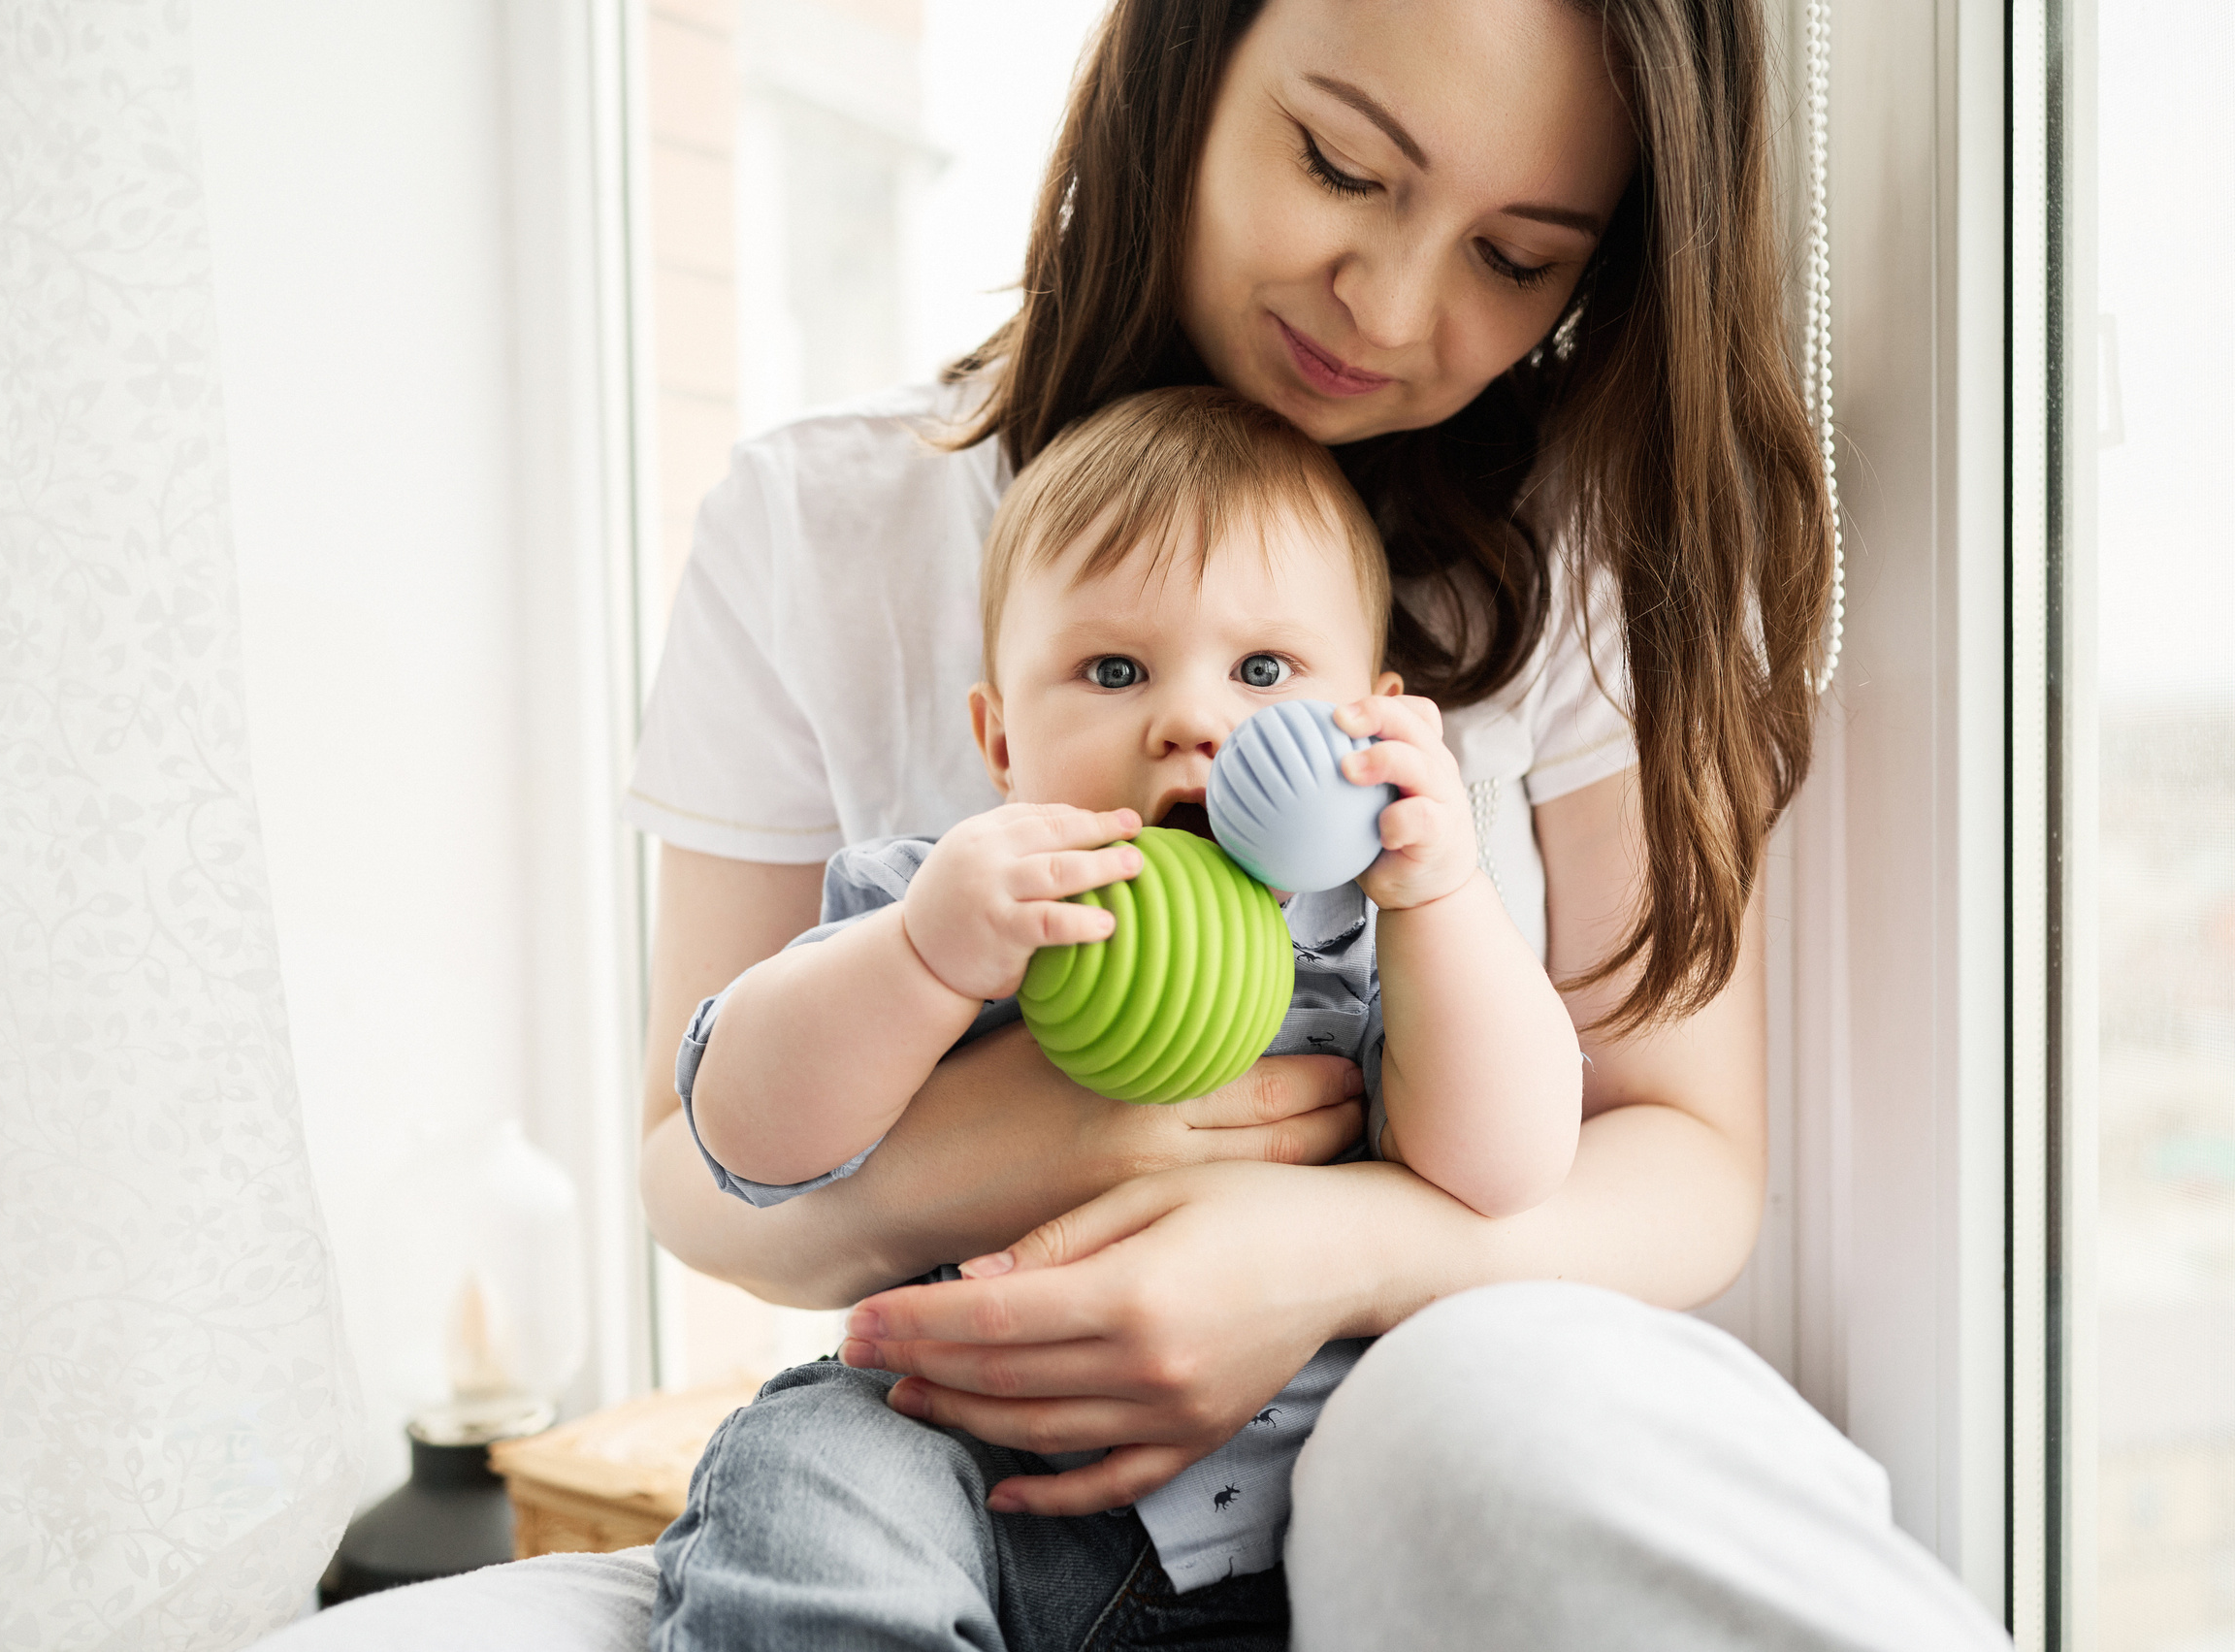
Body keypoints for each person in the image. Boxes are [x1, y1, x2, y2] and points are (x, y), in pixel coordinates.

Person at [265, 0, 2015, 1645]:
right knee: (785, 1486)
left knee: (1489, 1419)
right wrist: (1042, 1099)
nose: (1395, 308)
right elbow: (708, 1147)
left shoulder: (1538, 628)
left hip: (1377, 1401)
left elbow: (1638, 1147)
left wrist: (1323, 1232)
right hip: (951, 1425)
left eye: (1514, 257)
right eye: (1342, 165)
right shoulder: (843, 575)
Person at [652, 386, 1585, 1643]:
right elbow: (745, 1132)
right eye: (1111, 670)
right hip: (970, 1465)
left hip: (1309, 1504)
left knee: (1514, 1449)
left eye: (1264, 670)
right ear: (998, 740)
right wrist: (927, 959)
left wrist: (1444, 888)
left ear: (1369, 712)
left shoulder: (1377, 933)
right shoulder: (947, 904)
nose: (1194, 720)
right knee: (811, 1463)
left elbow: (1505, 1164)